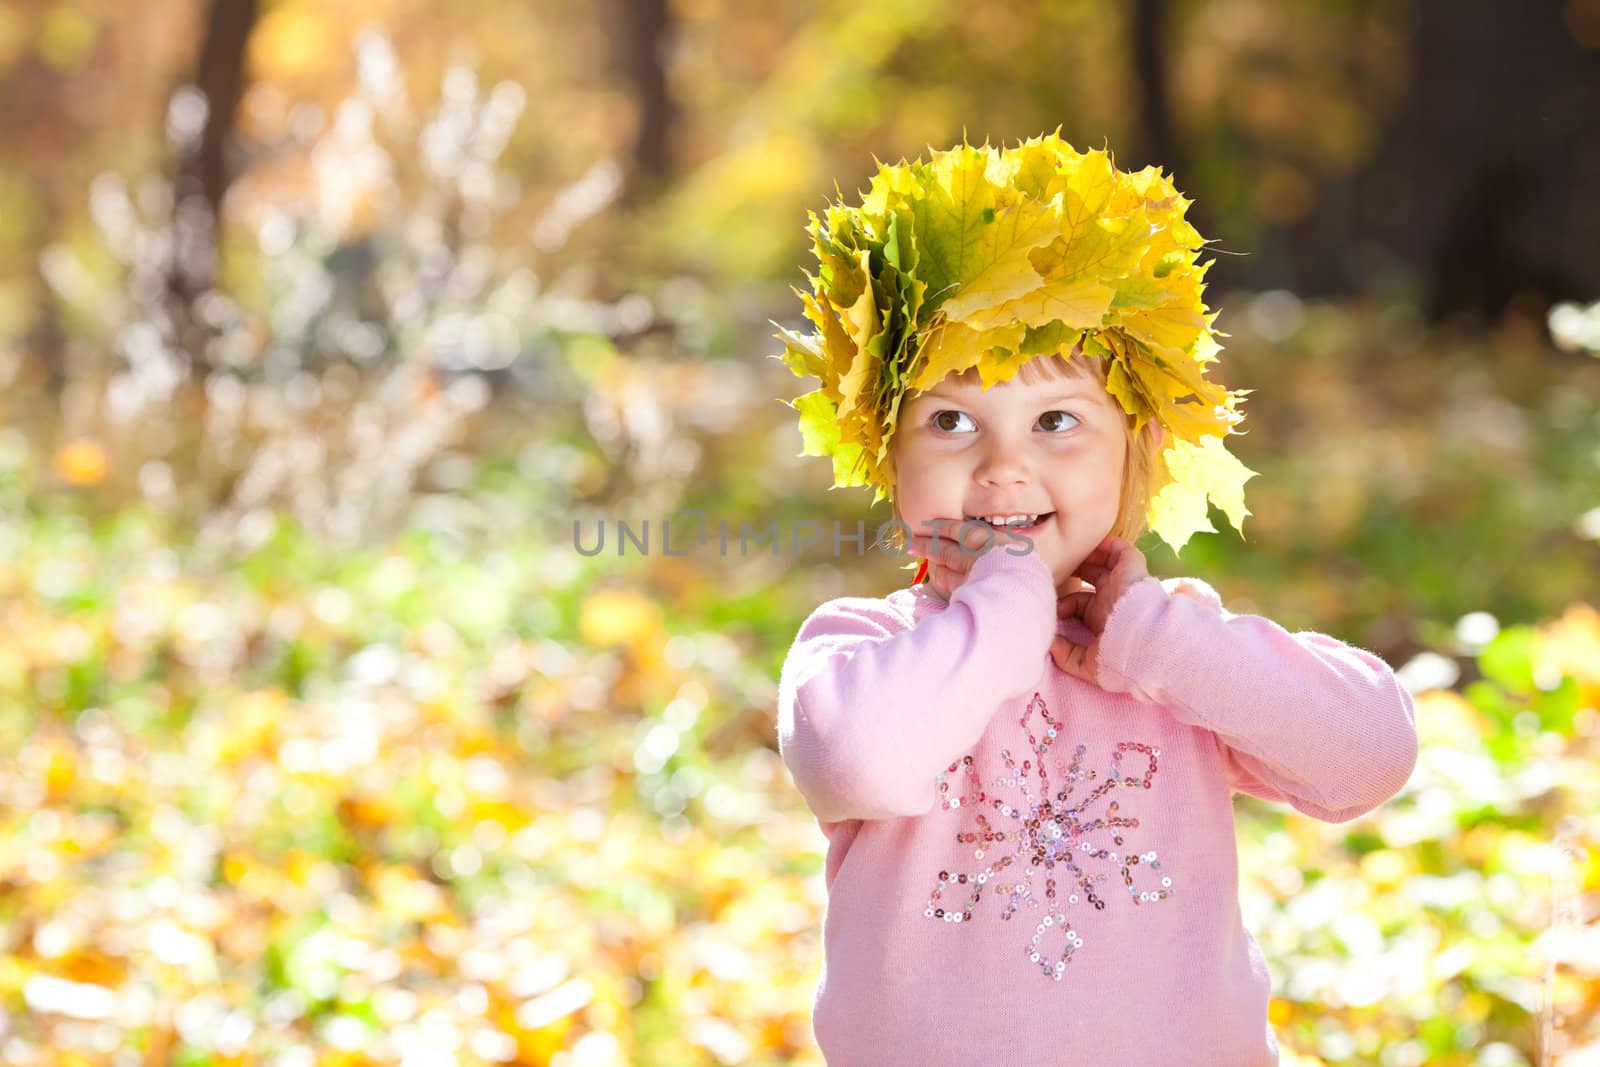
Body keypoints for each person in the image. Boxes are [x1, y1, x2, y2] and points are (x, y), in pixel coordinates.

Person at [770, 132, 1419, 1065]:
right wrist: (1005, 611)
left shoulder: (1166, 652)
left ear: (1137, 445)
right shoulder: (862, 648)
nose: (1003, 464)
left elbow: (1372, 756)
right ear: (885, 452)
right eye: (950, 421)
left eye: (1057, 420)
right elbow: (855, 760)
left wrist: (1161, 640)